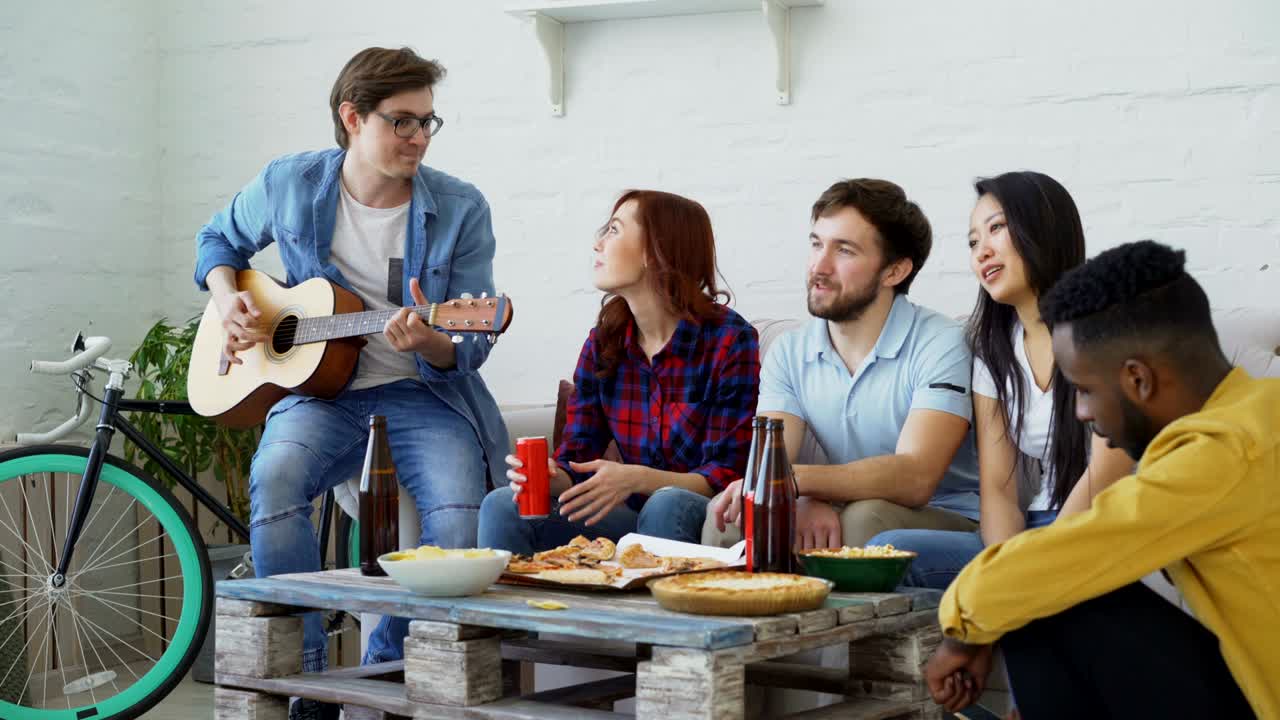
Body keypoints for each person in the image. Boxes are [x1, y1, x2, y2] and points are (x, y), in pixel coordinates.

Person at [193, 47, 508, 719]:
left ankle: (381, 676)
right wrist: (228, 301)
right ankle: (307, 683)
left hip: (425, 397)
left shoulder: (459, 208)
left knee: (460, 517)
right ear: (351, 118)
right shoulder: (290, 184)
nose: (419, 137)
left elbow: (472, 342)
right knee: (276, 477)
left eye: (429, 122)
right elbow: (216, 244)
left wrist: (434, 341)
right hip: (320, 395)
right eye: (402, 122)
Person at [924, 241, 1278, 719]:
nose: (1082, 412)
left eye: (1086, 390)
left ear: (1138, 379)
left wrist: (963, 630)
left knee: (1046, 594)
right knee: (1047, 592)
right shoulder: (1261, 410)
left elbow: (1063, 558)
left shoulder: (1221, 452)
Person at [869, 172, 1133, 589]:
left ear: (1043, 230)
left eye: (996, 229)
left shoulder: (1108, 327)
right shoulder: (993, 351)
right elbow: (998, 490)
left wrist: (1040, 564)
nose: (982, 251)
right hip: (1034, 530)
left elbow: (1109, 470)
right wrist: (1005, 566)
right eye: (973, 241)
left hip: (1110, 530)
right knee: (887, 552)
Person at [477, 190, 759, 554]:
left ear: (655, 251)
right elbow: (577, 458)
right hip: (630, 524)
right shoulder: (604, 342)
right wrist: (551, 477)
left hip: (698, 516)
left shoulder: (730, 340)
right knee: (502, 505)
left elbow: (726, 474)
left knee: (665, 502)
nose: (597, 244)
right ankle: (517, 613)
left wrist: (637, 479)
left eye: (613, 230)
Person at [706, 179, 980, 550]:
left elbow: (916, 477)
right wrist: (800, 497)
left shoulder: (941, 343)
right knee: (728, 517)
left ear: (894, 271)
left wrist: (795, 482)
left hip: (945, 514)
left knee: (865, 521)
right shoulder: (788, 351)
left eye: (845, 251)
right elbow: (770, 463)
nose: (819, 266)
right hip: (846, 503)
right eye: (816, 244)